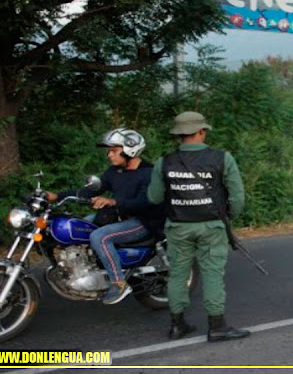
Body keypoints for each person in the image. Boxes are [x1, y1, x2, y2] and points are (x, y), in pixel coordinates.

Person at [147, 111, 250, 342]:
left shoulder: (164, 162)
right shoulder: (222, 158)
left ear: (179, 135)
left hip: (178, 226)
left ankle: (177, 324)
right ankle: (217, 326)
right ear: (202, 131)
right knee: (213, 274)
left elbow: (154, 197)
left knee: (177, 275)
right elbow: (238, 197)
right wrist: (228, 216)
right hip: (212, 226)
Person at [46, 128, 164, 305]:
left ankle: (119, 283)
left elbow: (145, 202)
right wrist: (57, 196)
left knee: (99, 236)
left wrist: (113, 202)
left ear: (130, 149)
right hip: (118, 216)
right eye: (109, 151)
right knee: (80, 225)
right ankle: (87, 268)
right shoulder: (114, 172)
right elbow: (90, 191)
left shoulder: (149, 174)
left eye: (114, 150)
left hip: (144, 220)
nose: (109, 155)